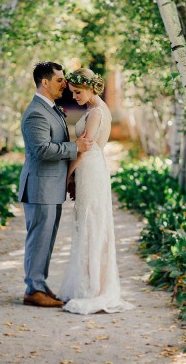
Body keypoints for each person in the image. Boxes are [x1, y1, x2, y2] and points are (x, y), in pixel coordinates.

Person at [58, 68, 134, 315]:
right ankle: (90, 282)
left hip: (89, 167)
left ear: (91, 88)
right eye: (72, 92)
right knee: (88, 222)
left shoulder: (96, 112)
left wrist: (67, 175)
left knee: (91, 222)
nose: (75, 97)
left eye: (78, 92)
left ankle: (92, 289)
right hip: (93, 168)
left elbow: (84, 148)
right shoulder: (97, 109)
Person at [19, 62, 93, 308]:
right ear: (45, 82)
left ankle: (39, 284)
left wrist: (69, 177)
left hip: (52, 186)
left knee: (47, 238)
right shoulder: (36, 113)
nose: (65, 84)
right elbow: (41, 150)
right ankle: (33, 289)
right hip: (40, 187)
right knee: (39, 238)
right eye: (60, 80)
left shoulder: (50, 108)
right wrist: (76, 148)